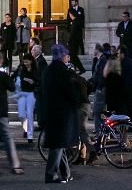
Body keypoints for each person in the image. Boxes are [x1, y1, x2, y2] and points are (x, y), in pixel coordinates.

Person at [40, 43, 78, 184]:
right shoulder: (63, 71)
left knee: (59, 143)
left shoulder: (48, 70)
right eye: (67, 55)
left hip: (51, 110)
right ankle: (51, 175)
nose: (68, 58)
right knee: (57, 145)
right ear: (62, 56)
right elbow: (71, 92)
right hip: (63, 113)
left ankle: (66, 173)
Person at [13, 52, 39, 142]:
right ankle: (25, 128)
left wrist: (33, 82)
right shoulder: (21, 68)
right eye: (24, 62)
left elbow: (38, 81)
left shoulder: (35, 70)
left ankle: (30, 135)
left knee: (30, 114)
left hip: (31, 93)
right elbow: (13, 76)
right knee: (21, 114)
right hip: (21, 93)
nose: (25, 63)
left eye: (27, 62)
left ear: (31, 61)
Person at [119, 45, 132, 120]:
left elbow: (123, 74)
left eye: (119, 53)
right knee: (130, 104)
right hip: (130, 85)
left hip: (127, 86)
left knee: (129, 104)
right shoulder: (130, 60)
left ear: (122, 53)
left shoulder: (125, 62)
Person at [66, 0, 86, 72]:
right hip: (75, 41)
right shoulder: (76, 21)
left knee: (73, 56)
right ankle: (76, 68)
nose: (69, 16)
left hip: (74, 42)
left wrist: (69, 41)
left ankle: (80, 68)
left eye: (70, 15)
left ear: (72, 14)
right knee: (73, 56)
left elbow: (72, 33)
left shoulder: (75, 22)